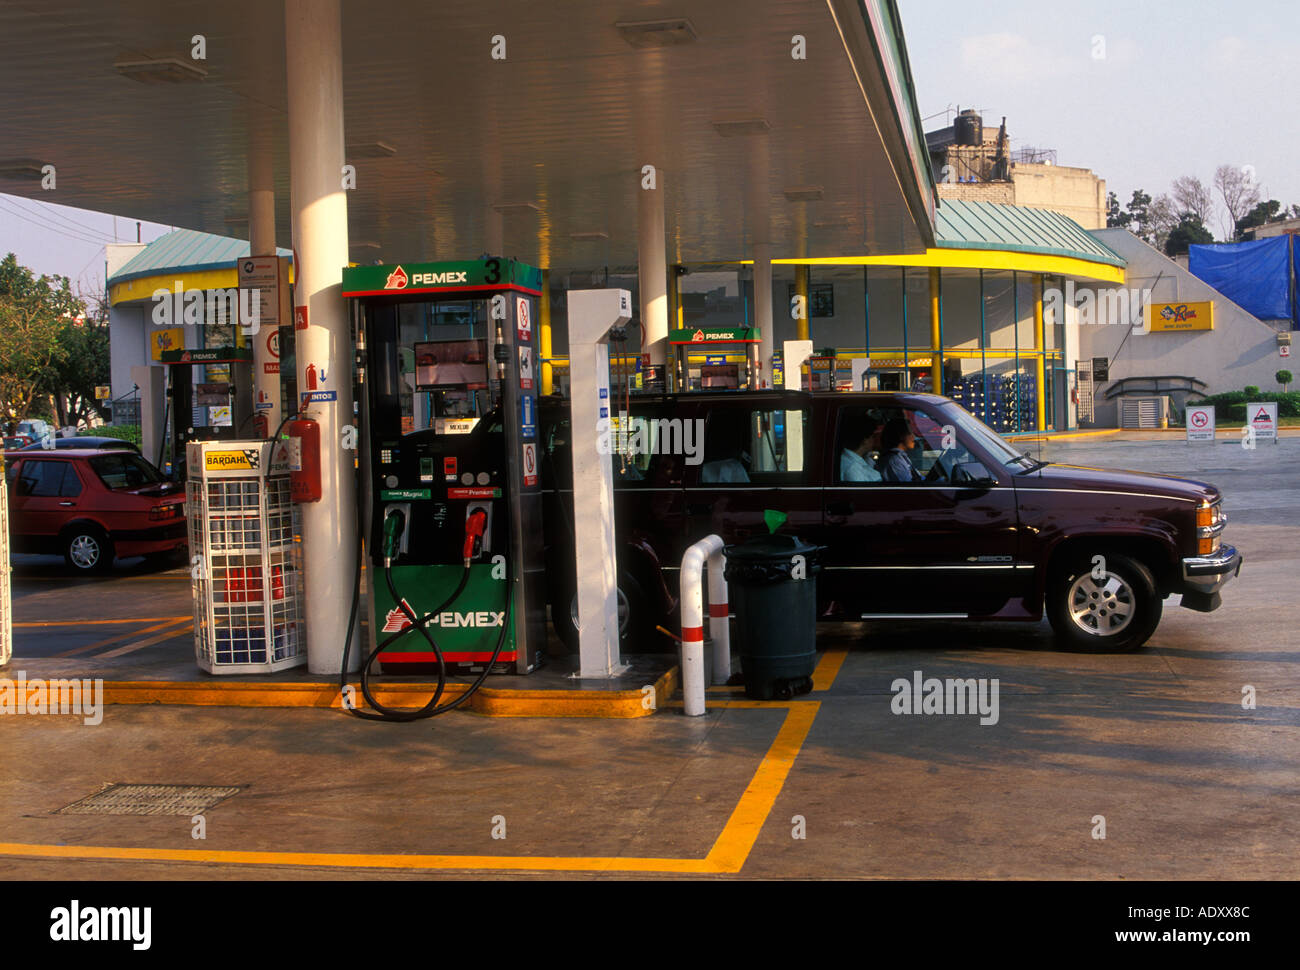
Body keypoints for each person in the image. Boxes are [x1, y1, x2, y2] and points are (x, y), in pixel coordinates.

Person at [840, 415, 882, 482]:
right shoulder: (852, 468)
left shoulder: (850, 460)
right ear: (865, 440)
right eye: (873, 437)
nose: (874, 440)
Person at [880, 417, 922, 482]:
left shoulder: (901, 457)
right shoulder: (894, 460)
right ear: (901, 435)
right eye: (910, 433)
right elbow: (908, 487)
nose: (914, 437)